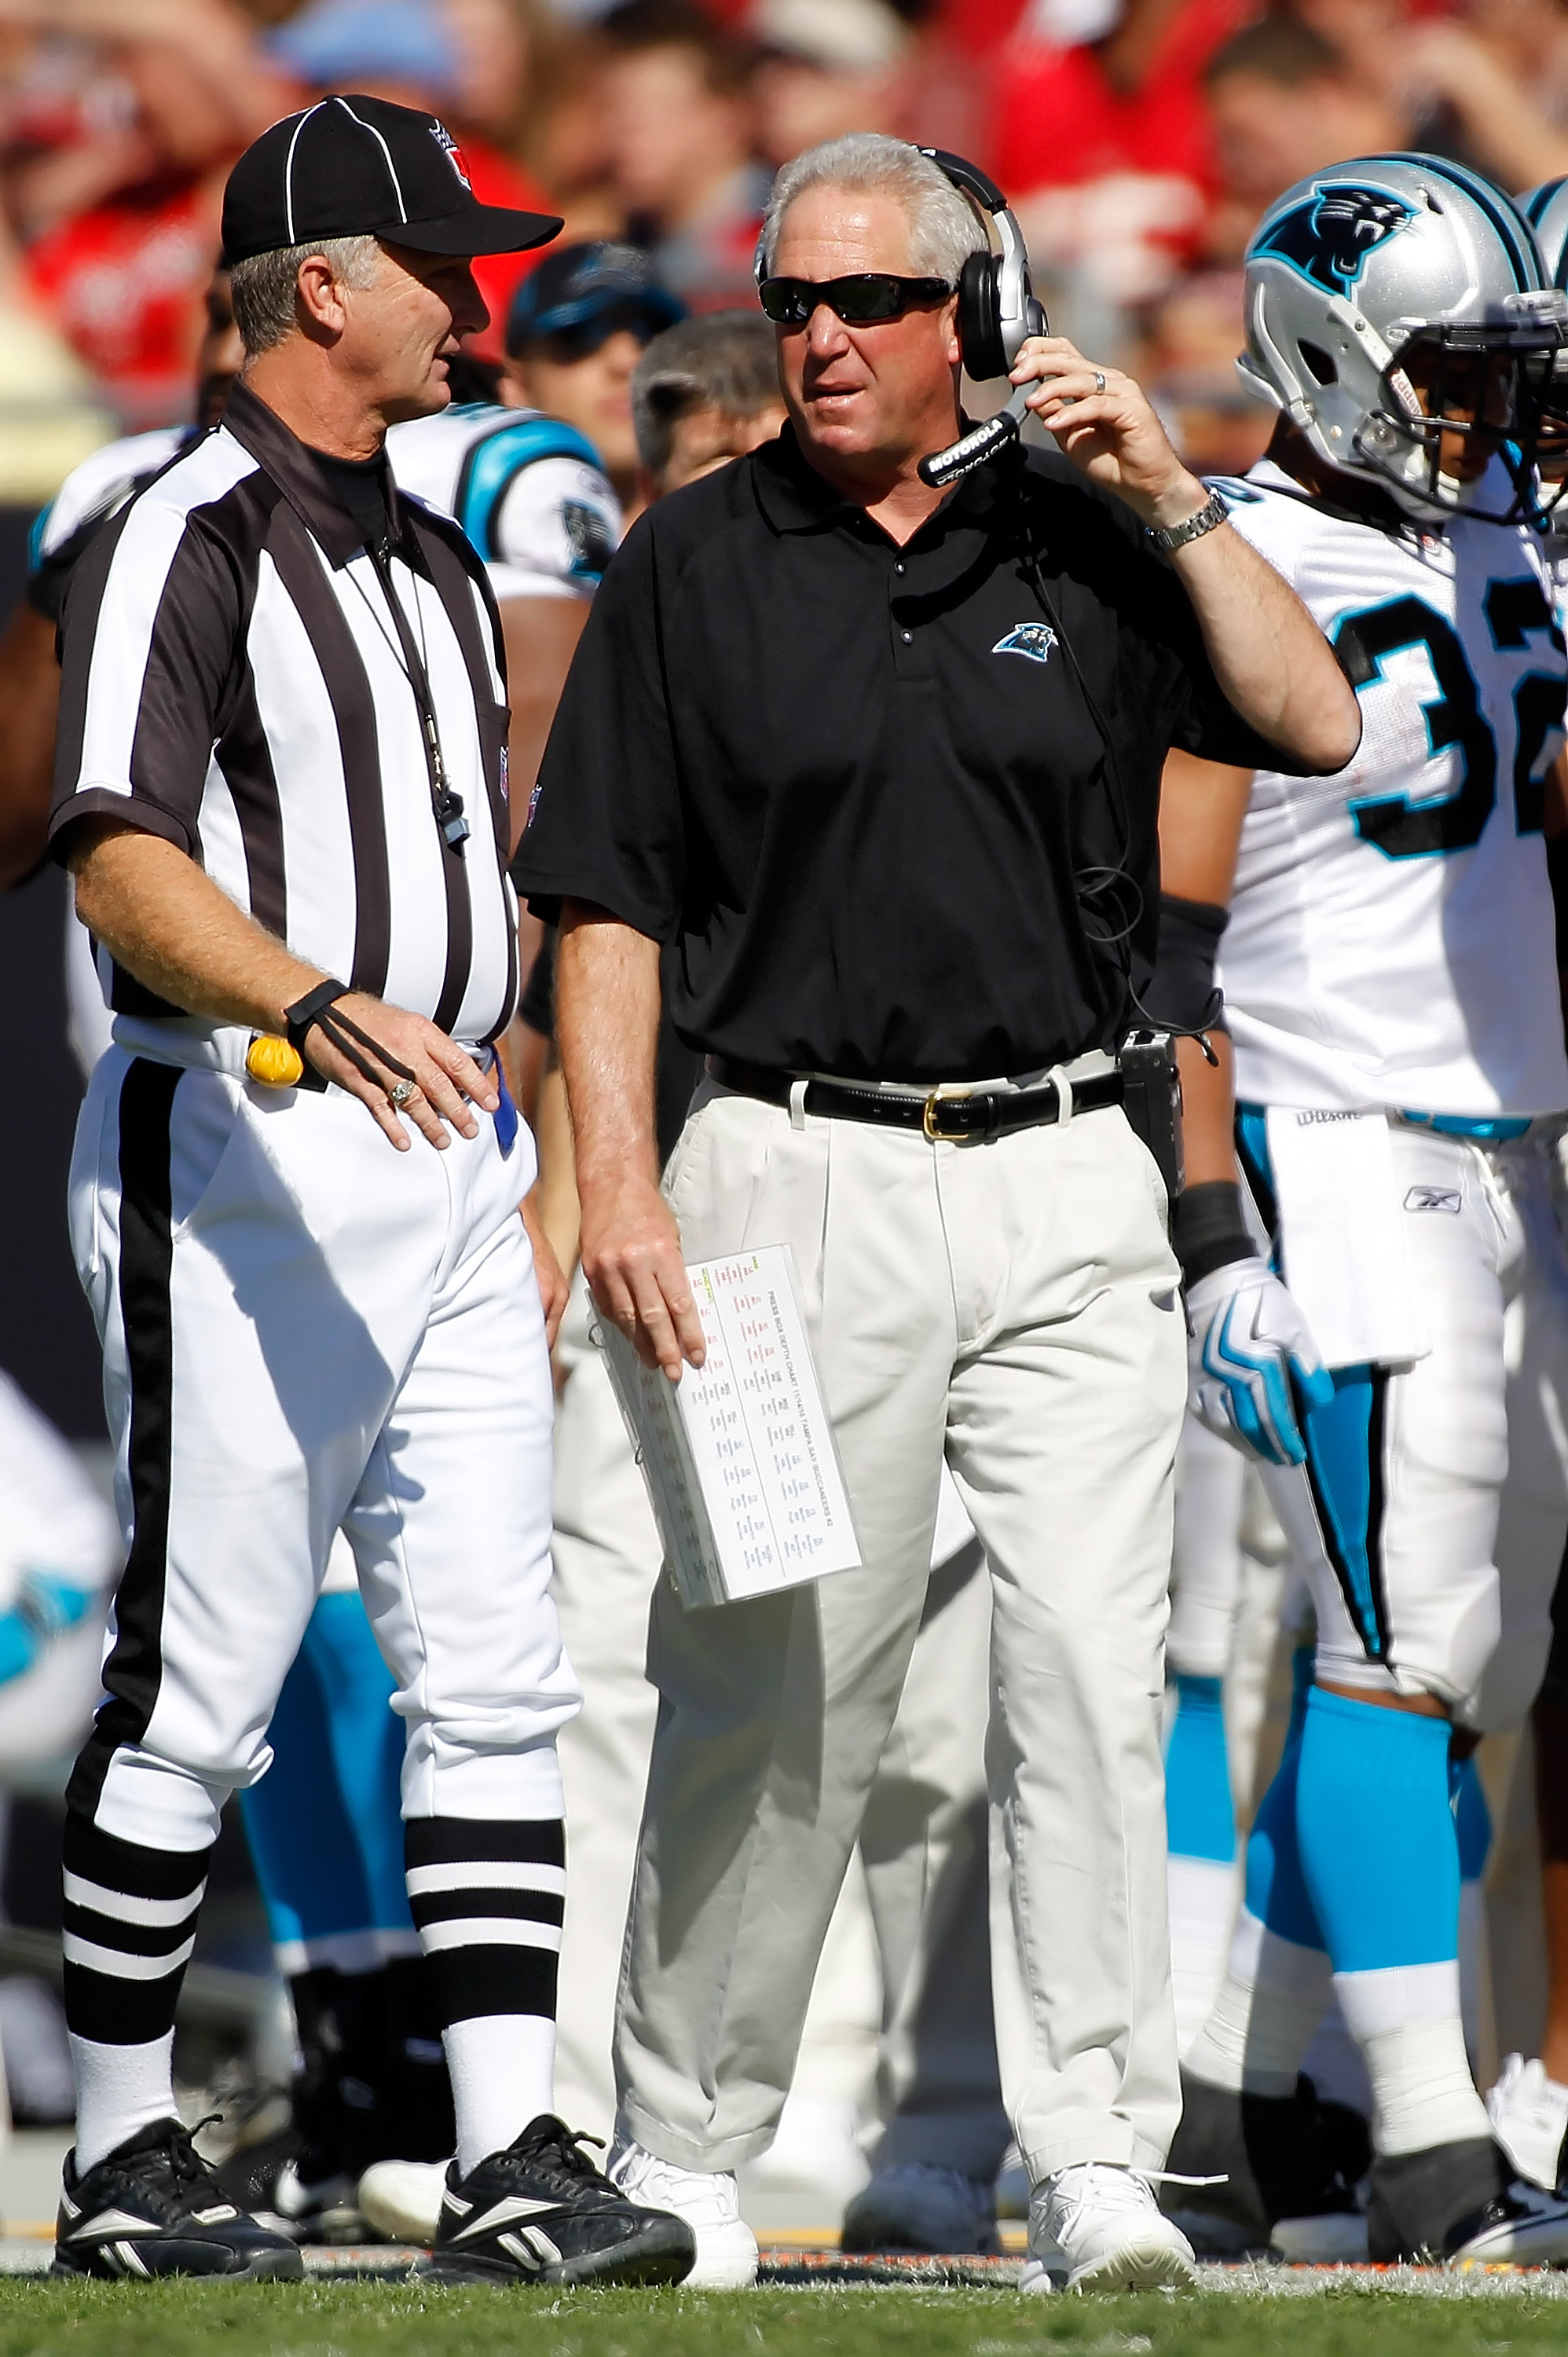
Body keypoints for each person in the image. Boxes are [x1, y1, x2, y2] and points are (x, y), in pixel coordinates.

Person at [515, 130, 1360, 2294]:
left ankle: (1088, 2152)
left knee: (1085, 1671)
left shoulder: (1083, 527)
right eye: (790, 297)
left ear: (972, 312)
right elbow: (602, 894)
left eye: (865, 302)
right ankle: (685, 2147)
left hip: (1071, 1170)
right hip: (784, 1171)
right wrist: (612, 1172)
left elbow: (1309, 716)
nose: (813, 336)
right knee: (777, 1676)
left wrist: (1169, 485)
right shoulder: (691, 560)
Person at [46, 90, 692, 2290]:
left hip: (440, 1140)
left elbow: (462, 865)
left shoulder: (421, 538)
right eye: (444, 264)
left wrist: (509, 1103)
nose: (476, 303)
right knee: (207, 1681)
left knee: (496, 1665)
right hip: (243, 1137)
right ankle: (123, 2147)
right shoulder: (171, 520)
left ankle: (507, 2151)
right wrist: (312, 1007)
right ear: (322, 285)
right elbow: (118, 848)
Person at [1157, 153, 1568, 2269]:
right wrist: (1210, 1225)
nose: (1493, 420)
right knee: (1388, 1655)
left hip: (1511, 1141)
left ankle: (1225, 2110)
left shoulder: (1491, 533)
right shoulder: (1239, 560)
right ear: (1335, 358)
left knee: (1473, 1656)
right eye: (1458, 376)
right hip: (1341, 1134)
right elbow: (1159, 935)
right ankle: (1424, 2156)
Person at [595, 0, 771, 312]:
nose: (626, 129)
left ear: (728, 120)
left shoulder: (775, 250)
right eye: (615, 107)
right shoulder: (624, 252)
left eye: (655, 105)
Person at [504, 241, 687, 522]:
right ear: (517, 384)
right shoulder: (464, 550)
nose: (626, 361)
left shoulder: (727, 542)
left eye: (651, 333)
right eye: (581, 335)